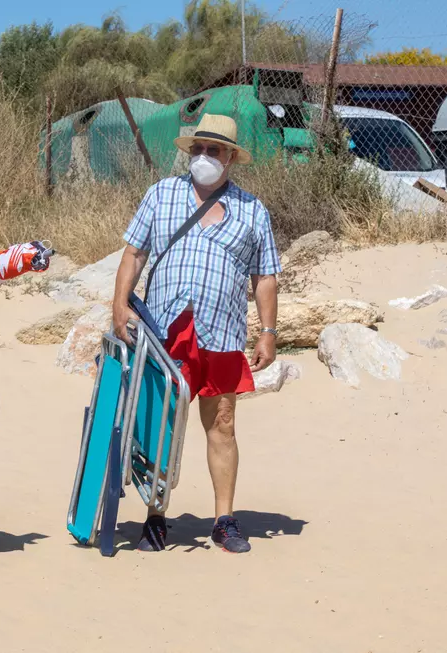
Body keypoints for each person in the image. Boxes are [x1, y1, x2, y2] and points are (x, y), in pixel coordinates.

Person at [112, 114, 282, 554]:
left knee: (222, 423)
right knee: (161, 424)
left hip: (222, 332)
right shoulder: (161, 194)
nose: (204, 157)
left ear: (230, 158)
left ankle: (224, 519)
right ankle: (155, 516)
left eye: (215, 150)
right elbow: (134, 253)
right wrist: (119, 305)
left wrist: (267, 332)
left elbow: (265, 277)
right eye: (199, 149)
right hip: (167, 328)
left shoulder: (252, 209)